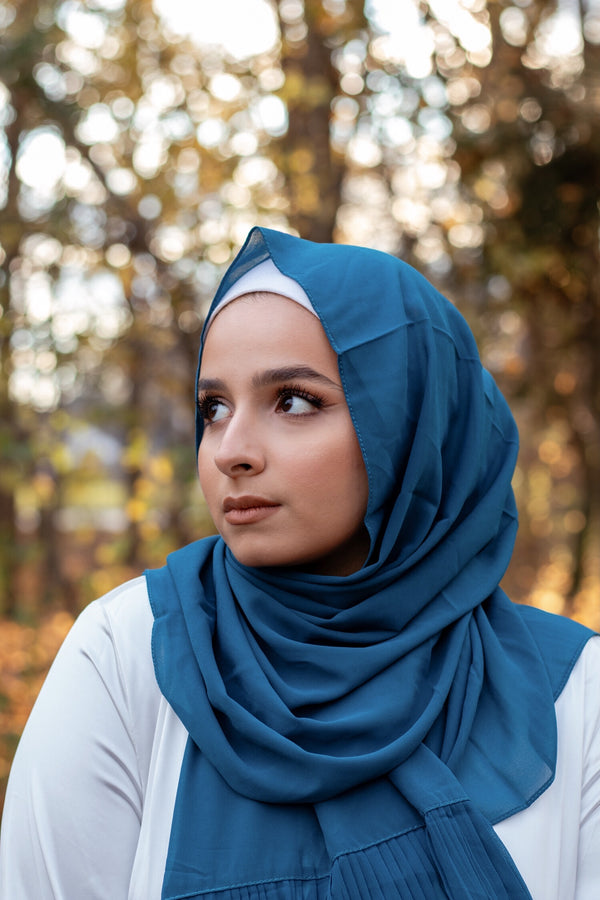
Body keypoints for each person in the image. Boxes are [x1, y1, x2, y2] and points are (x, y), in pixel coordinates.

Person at [0, 226, 598, 900]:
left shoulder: (574, 691)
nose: (231, 449)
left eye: (293, 401)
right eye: (214, 407)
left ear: (413, 426)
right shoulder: (131, 653)